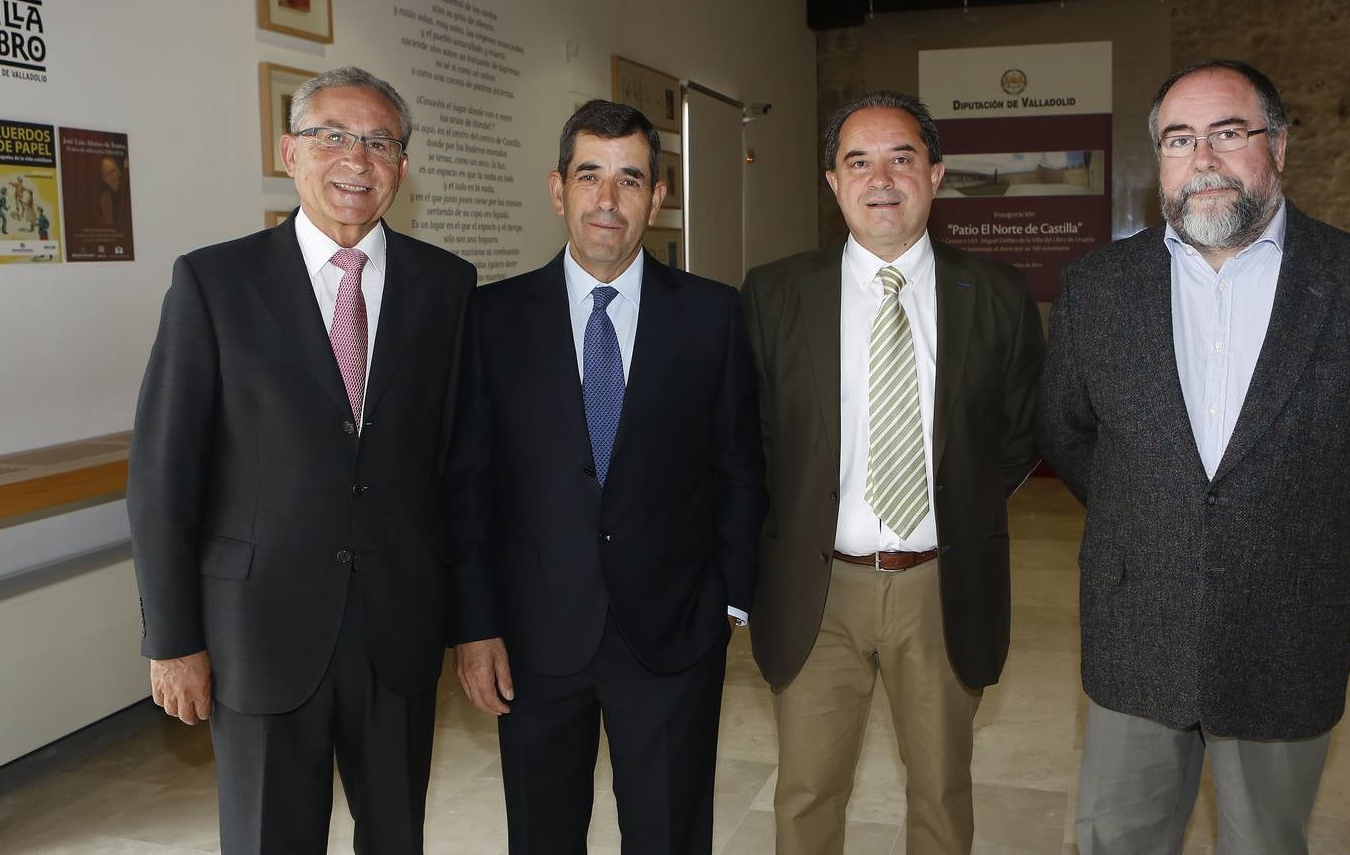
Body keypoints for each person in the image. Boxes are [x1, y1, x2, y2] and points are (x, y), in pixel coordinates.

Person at [1038, 59, 1350, 855]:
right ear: (1159, 158)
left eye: (1227, 133)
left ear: (1278, 146)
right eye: (1178, 139)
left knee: (1265, 840)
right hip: (1137, 620)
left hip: (1289, 624)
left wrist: (1305, 530)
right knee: (1117, 836)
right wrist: (1154, 517)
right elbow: (1067, 433)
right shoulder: (1096, 288)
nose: (1202, 159)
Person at [128, 66, 476, 854]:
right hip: (258, 630)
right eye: (332, 136)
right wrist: (173, 639)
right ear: (289, 153)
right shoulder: (214, 282)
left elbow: (460, 468)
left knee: (396, 836)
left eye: (379, 142)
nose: (356, 158)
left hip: (398, 626)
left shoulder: (446, 286)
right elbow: (162, 476)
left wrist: (475, 621)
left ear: (402, 166)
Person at [452, 99, 766, 853]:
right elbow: (467, 484)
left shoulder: (713, 315)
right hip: (534, 638)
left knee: (667, 835)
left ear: (656, 199)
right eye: (589, 175)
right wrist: (475, 625)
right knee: (543, 835)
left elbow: (739, 465)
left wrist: (728, 602)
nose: (606, 199)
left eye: (629, 180)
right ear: (556, 188)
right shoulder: (490, 319)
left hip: (671, 633)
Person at [740, 90, 1044, 854]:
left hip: (941, 585)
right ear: (832, 182)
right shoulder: (774, 293)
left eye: (900, 159)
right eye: (858, 162)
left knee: (940, 792)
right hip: (816, 588)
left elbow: (1018, 432)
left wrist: (961, 504)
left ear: (935, 174)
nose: (880, 179)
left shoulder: (997, 293)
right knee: (806, 793)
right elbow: (753, 437)